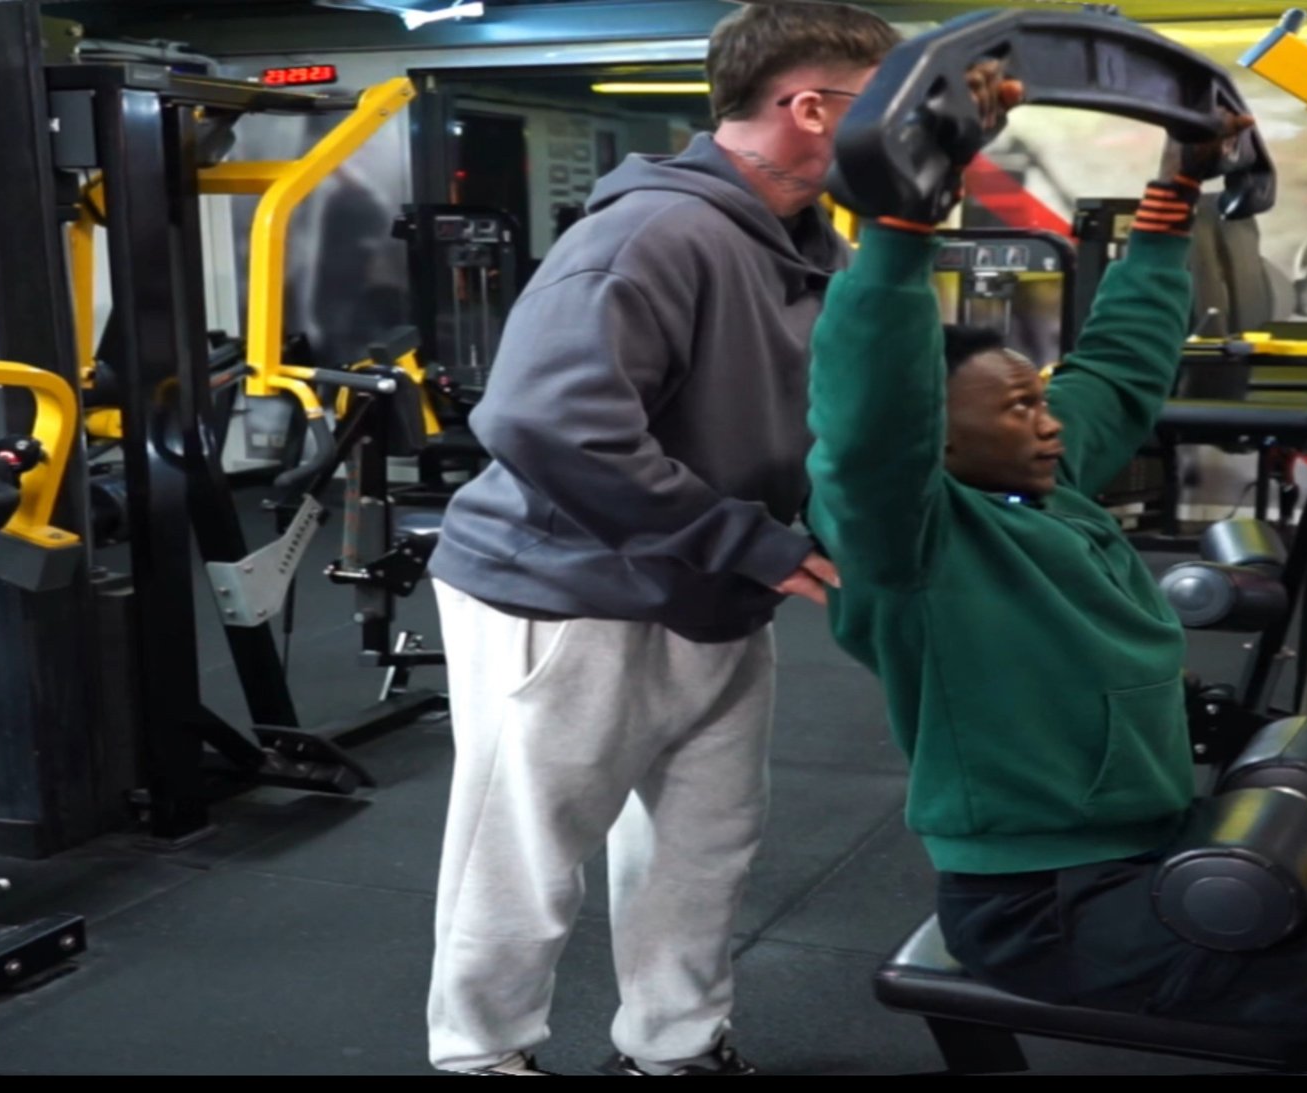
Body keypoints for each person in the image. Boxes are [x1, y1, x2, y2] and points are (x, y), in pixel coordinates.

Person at [803, 71, 1307, 1073]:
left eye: (1040, 398)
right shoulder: (910, 541)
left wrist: (1170, 200)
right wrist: (901, 216)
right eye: (1015, 409)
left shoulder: (1047, 487)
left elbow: (1125, 363)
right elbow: (866, 409)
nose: (1049, 419)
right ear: (937, 440)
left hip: (1143, 841)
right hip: (1047, 905)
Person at [423, 1, 901, 1078]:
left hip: (711, 590)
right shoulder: (651, 233)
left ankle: (672, 1048)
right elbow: (546, 417)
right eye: (892, 107)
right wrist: (746, 537)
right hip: (566, 590)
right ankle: (480, 1056)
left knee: (704, 848)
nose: (909, 132)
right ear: (810, 108)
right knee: (526, 861)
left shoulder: (802, 244)